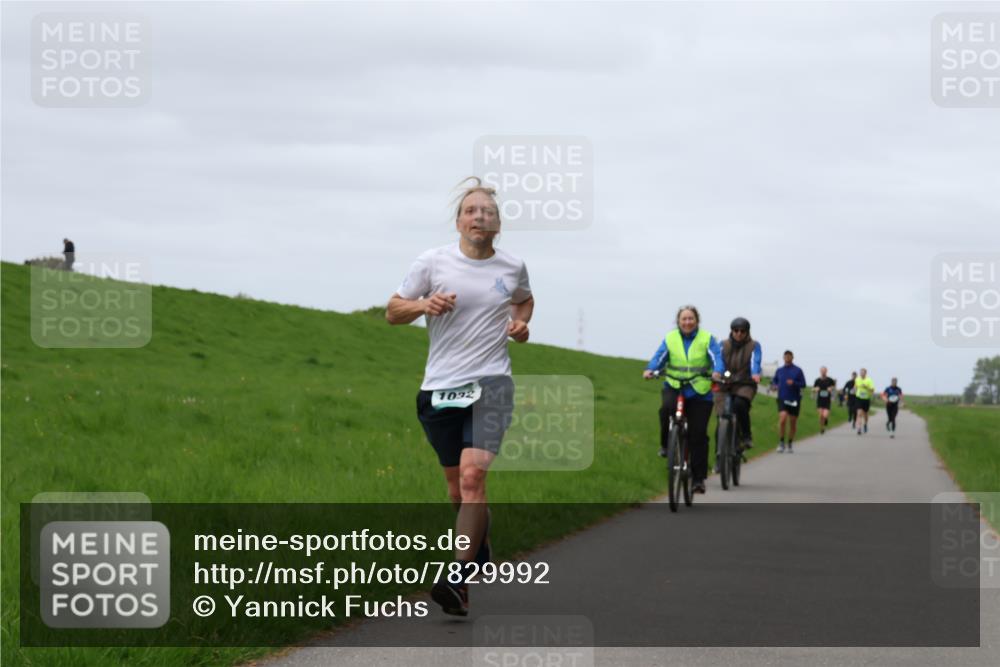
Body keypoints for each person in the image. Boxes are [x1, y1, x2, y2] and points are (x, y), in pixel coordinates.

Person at [386, 177, 533, 616]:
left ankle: (456, 577)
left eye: (487, 212)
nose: (479, 217)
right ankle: (478, 548)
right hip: (441, 387)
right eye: (471, 211)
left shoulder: (513, 266)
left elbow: (525, 300)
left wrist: (520, 324)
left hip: (492, 383)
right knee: (457, 490)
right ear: (459, 222)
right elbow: (392, 310)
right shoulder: (432, 262)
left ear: (498, 225)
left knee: (473, 478)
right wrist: (422, 305)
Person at [643, 305, 723, 495]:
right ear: (678, 322)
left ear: (697, 320)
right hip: (674, 385)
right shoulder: (670, 338)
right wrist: (650, 369)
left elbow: (717, 358)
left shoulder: (707, 338)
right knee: (665, 409)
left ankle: (698, 479)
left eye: (691, 318)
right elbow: (659, 357)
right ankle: (666, 445)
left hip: (699, 391)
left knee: (698, 434)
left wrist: (717, 371)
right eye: (684, 319)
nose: (687, 322)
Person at [713, 317, 762, 464]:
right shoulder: (723, 345)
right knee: (721, 420)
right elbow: (719, 360)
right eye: (736, 330)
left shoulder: (754, 345)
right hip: (724, 383)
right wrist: (717, 372)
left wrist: (755, 373)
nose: (739, 333)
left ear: (747, 332)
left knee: (740, 404)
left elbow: (755, 361)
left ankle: (746, 436)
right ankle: (719, 458)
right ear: (731, 331)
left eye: (742, 331)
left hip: (745, 383)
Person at [771, 350, 806, 452]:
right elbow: (774, 381)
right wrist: (774, 386)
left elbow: (803, 384)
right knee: (782, 419)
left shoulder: (798, 370)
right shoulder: (779, 370)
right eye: (785, 356)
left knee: (793, 422)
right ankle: (781, 442)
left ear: (792, 357)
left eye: (789, 356)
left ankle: (790, 443)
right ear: (783, 358)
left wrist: (794, 383)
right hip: (782, 398)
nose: (787, 358)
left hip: (794, 399)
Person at [811, 366, 837, 434]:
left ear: (826, 371)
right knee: (820, 415)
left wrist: (831, 388)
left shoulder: (830, 380)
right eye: (822, 371)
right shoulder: (817, 380)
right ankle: (822, 428)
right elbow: (813, 389)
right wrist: (815, 389)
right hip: (820, 400)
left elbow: (834, 387)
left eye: (824, 371)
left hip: (827, 400)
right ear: (820, 371)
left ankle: (826, 419)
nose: (823, 372)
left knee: (825, 415)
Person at [854, 368, 876, 435]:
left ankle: (865, 424)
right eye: (861, 372)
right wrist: (855, 391)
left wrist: (866, 387)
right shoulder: (857, 379)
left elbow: (872, 390)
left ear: (865, 373)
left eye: (863, 372)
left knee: (865, 415)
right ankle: (859, 429)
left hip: (866, 399)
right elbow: (855, 387)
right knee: (859, 413)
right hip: (859, 398)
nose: (862, 373)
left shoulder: (869, 380)